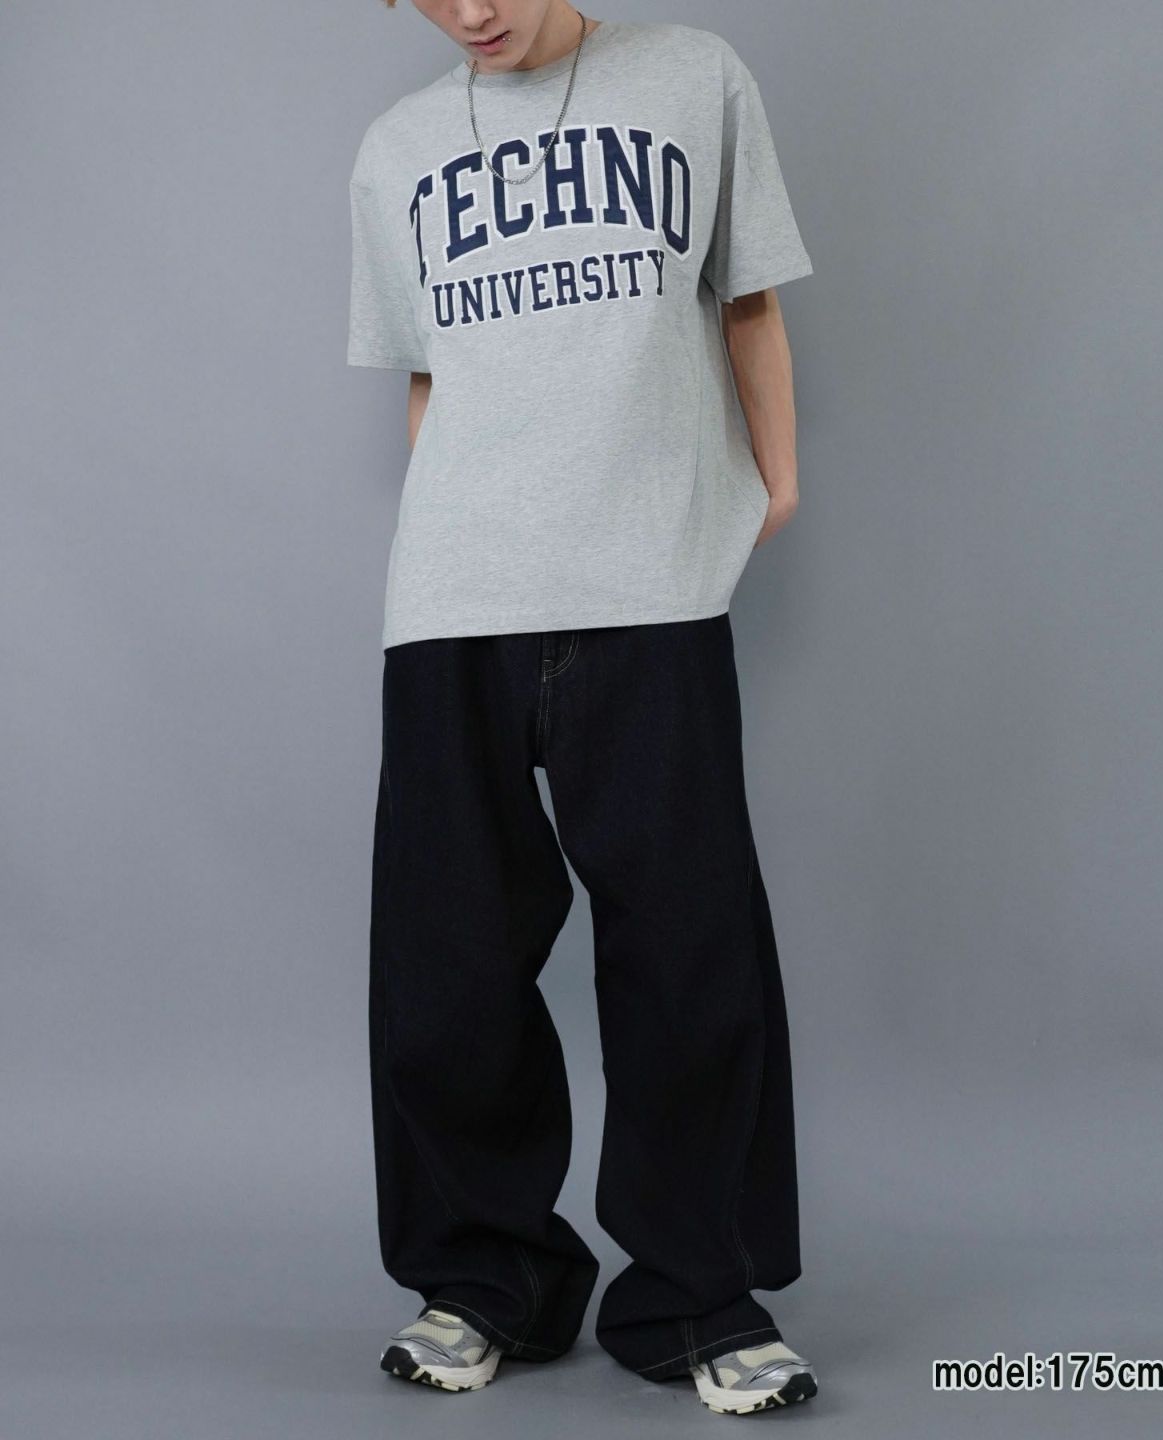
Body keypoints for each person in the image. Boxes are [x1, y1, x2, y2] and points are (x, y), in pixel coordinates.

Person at [347, 0, 818, 1415]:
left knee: (689, 951)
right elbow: (433, 377)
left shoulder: (692, 78)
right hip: (457, 596)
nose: (469, 11)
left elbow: (746, 298)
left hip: (650, 582)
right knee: (446, 962)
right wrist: (457, 541)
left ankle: (697, 1295)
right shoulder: (396, 147)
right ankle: (486, 1281)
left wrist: (776, 482)